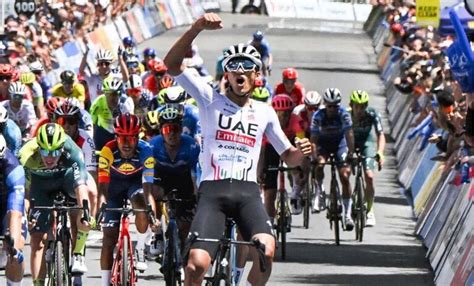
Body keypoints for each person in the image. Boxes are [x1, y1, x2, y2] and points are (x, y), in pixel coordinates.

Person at [164, 13, 312, 286]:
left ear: (257, 75)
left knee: (266, 250)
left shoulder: (265, 112)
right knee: (196, 266)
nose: (240, 71)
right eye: (234, 66)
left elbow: (289, 157)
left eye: (248, 66)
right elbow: (171, 64)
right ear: (227, 74)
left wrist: (302, 151)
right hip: (213, 192)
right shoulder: (210, 99)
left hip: (247, 193)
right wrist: (196, 28)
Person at [19, 124, 91, 284]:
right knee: (37, 240)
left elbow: (81, 187)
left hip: (65, 180)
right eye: (44, 152)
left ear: (62, 148)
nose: (50, 157)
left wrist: (85, 212)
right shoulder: (26, 155)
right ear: (38, 147)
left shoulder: (73, 151)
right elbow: (23, 192)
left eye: (55, 152)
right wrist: (25, 215)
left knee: (86, 205)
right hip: (40, 187)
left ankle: (78, 254)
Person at [97, 113, 156, 281]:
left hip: (135, 185)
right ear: (116, 137)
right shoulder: (107, 151)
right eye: (122, 139)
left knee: (142, 206)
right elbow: (102, 187)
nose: (127, 144)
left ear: (138, 138)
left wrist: (151, 211)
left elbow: (148, 188)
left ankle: (140, 248)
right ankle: (104, 282)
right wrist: (101, 206)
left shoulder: (146, 151)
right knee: (109, 238)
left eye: (131, 139)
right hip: (113, 188)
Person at [149, 106, 200, 257]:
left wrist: (197, 194)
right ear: (161, 132)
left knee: (185, 225)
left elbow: (195, 173)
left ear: (181, 130)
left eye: (176, 129)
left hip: (182, 177)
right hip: (161, 175)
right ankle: (157, 233)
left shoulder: (191, 145)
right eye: (167, 130)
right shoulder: (153, 145)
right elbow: (146, 175)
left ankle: (183, 254)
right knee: (155, 191)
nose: (172, 134)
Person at [310, 87, 355, 230]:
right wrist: (314, 155)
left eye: (335, 106)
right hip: (324, 145)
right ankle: (320, 190)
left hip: (339, 145)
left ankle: (348, 214)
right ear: (325, 104)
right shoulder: (318, 116)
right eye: (329, 106)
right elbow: (314, 138)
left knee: (344, 175)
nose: (332, 109)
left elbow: (349, 135)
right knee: (320, 164)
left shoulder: (344, 115)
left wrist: (351, 153)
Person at [260, 94, 307, 221]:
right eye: (279, 114)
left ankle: (296, 190)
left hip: (291, 143)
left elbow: (301, 141)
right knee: (270, 193)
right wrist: (260, 171)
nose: (283, 117)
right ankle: (269, 224)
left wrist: (300, 166)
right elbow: (263, 150)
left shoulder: (295, 120)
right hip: (271, 147)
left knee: (298, 164)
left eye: (286, 114)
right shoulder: (268, 122)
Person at [54, 98, 99, 219]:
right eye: (62, 121)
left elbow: (91, 172)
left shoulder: (85, 139)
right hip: (55, 175)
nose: (66, 126)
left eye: (71, 121)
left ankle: (89, 225)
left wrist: (90, 191)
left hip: (77, 176)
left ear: (78, 123)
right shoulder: (51, 135)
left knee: (76, 220)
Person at [349, 90, 385, 226]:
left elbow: (380, 134)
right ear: (351, 105)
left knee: (369, 176)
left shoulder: (372, 114)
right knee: (343, 173)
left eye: (363, 106)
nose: (359, 110)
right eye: (356, 106)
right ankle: (346, 204)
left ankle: (370, 210)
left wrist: (380, 152)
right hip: (349, 143)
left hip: (366, 143)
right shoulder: (346, 115)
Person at [0, 135, 26, 286]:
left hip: (7, 204)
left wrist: (14, 248)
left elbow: (15, 213)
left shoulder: (13, 166)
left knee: (16, 250)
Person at [293, 91, 325, 212]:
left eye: (315, 108)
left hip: (318, 135)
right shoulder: (298, 112)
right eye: (310, 108)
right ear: (305, 105)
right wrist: (305, 152)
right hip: (303, 133)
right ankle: (297, 188)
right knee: (302, 162)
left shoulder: (323, 112)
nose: (312, 111)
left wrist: (315, 153)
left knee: (318, 162)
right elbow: (299, 136)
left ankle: (320, 187)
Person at [89, 77, 134, 150]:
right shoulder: (97, 103)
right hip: (103, 132)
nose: (112, 98)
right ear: (104, 93)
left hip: (121, 132)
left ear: (120, 94)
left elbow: (130, 125)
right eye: (109, 94)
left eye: (115, 94)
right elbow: (92, 125)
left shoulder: (126, 103)